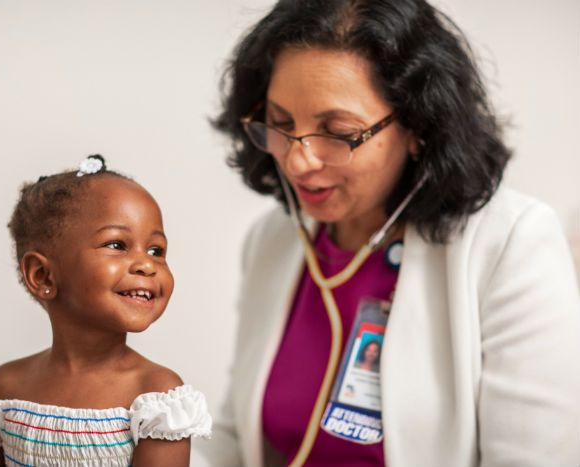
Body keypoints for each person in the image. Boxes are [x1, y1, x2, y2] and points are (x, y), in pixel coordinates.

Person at [200, 0, 580, 466]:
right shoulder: (272, 241)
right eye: (280, 124)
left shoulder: (512, 246)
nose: (298, 162)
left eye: (338, 132)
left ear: (418, 126)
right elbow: (239, 442)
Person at [0, 155, 212, 467]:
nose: (147, 264)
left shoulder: (156, 397)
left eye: (156, 250)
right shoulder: (4, 389)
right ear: (43, 275)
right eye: (117, 244)